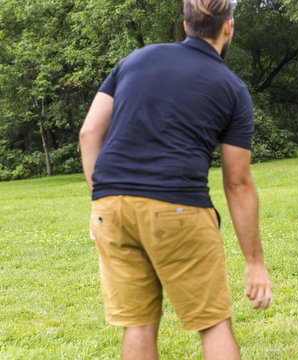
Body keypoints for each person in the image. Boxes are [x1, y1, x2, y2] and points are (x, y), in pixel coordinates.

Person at [78, 0, 272, 358]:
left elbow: (89, 133)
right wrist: (255, 262)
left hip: (111, 209)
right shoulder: (231, 88)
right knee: (212, 324)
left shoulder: (134, 61)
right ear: (227, 27)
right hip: (178, 209)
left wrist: (99, 200)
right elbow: (238, 183)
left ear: (186, 25)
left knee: (138, 324)